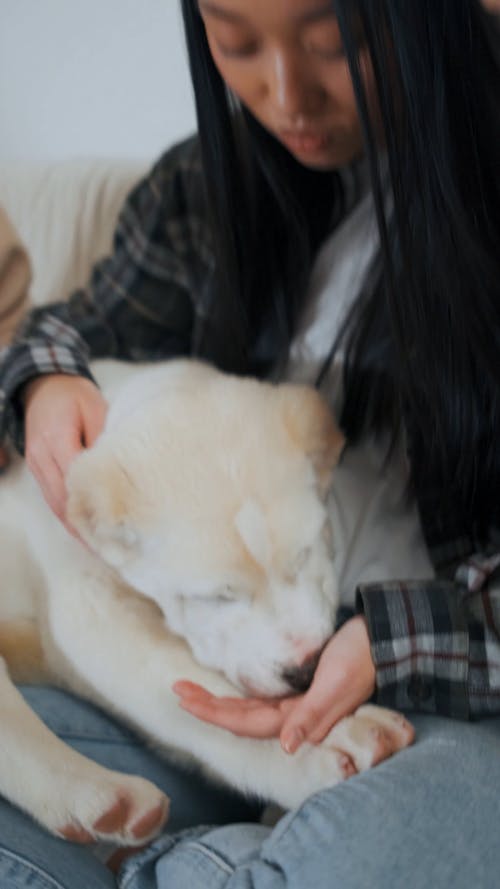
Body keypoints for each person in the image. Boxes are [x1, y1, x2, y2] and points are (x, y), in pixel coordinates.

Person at [0, 1, 500, 887]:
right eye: (236, 43)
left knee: (368, 853)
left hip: (452, 694)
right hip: (211, 683)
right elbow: (68, 334)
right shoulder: (199, 191)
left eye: (331, 46)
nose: (283, 95)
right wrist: (41, 382)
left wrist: (394, 640)